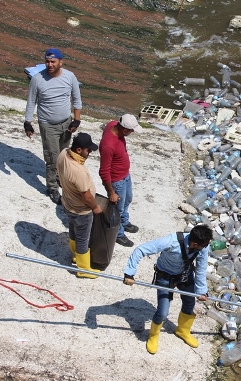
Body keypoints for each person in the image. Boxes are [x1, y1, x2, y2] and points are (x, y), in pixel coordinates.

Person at [122, 225, 213, 353]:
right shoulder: (171, 241)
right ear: (194, 243)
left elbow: (201, 269)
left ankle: (182, 331)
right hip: (165, 276)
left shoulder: (203, 245)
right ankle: (153, 336)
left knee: (189, 303)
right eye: (202, 246)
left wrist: (201, 291)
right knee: (163, 312)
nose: (205, 248)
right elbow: (140, 250)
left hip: (185, 274)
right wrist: (129, 273)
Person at [24, 47, 82, 205]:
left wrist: (76, 120)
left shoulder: (70, 77)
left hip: (66, 123)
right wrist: (28, 122)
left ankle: (60, 178)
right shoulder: (37, 79)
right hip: (47, 124)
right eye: (47, 61)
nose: (49, 64)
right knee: (52, 157)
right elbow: (31, 102)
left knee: (64, 155)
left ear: (60, 62)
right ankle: (52, 187)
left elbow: (76, 100)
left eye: (53, 61)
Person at [57, 133, 102, 279]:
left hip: (67, 203)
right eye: (88, 150)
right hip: (81, 210)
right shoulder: (78, 171)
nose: (89, 153)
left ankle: (75, 255)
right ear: (78, 150)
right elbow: (87, 196)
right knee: (83, 238)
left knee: (73, 230)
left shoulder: (63, 154)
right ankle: (83, 269)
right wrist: (95, 207)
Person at [98, 114, 142, 247]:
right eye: (131, 131)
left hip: (125, 176)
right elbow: (104, 171)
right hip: (117, 181)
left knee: (127, 200)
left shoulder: (112, 124)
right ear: (124, 130)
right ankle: (118, 234)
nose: (132, 132)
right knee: (117, 209)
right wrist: (111, 192)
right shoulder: (108, 145)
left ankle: (124, 222)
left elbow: (108, 123)